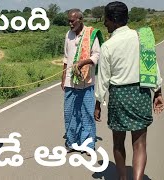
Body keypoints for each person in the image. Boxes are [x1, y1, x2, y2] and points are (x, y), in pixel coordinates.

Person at [94, 1, 164, 180]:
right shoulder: (143, 38)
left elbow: (103, 79)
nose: (105, 24)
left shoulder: (108, 46)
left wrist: (98, 103)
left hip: (119, 97)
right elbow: (152, 66)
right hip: (140, 94)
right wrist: (157, 92)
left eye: (106, 20)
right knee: (140, 144)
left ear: (114, 20)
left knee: (118, 143)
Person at [61, 9, 103, 155]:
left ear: (81, 20)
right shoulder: (68, 35)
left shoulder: (91, 34)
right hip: (70, 82)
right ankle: (72, 142)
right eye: (69, 21)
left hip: (87, 81)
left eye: (72, 21)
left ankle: (88, 144)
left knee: (86, 112)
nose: (70, 24)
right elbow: (66, 58)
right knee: (70, 112)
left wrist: (84, 62)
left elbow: (97, 55)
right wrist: (63, 78)